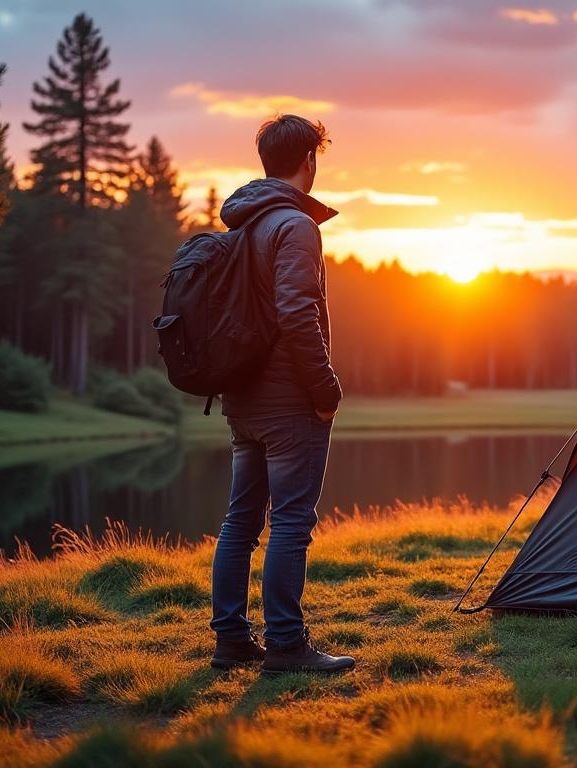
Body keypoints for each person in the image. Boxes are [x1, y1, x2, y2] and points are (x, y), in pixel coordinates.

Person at [208, 114, 353, 673]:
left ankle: (231, 641)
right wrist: (326, 390)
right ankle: (287, 646)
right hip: (288, 402)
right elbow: (297, 314)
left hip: (242, 399)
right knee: (291, 521)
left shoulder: (242, 225)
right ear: (309, 161)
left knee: (240, 522)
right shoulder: (295, 226)